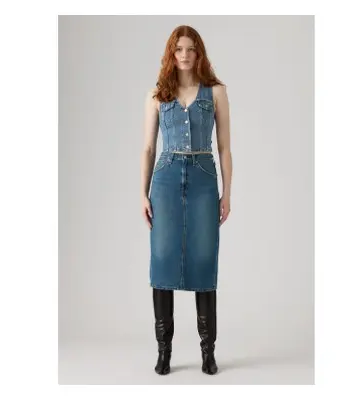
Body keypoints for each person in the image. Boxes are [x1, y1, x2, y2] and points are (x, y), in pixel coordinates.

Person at [140, 25, 232, 375]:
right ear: (171, 53)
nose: (184, 55)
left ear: (199, 53)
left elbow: (224, 147)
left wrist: (227, 193)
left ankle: (208, 352)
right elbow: (148, 148)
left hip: (203, 177)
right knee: (162, 258)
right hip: (165, 178)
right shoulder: (157, 94)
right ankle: (164, 352)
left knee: (205, 259)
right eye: (178, 49)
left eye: (191, 48)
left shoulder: (216, 92)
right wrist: (142, 193)